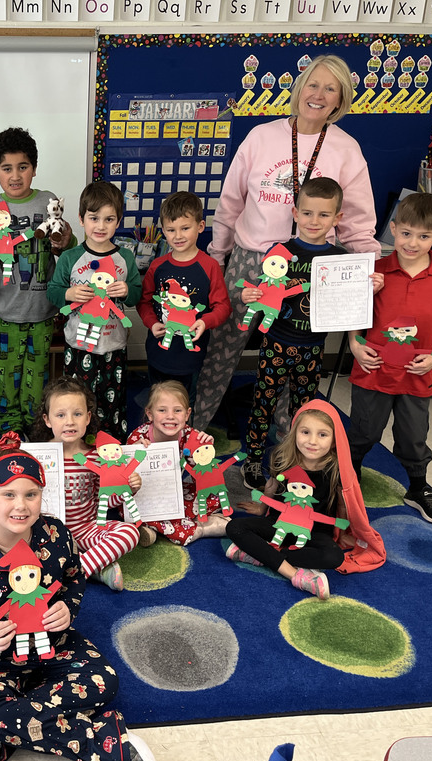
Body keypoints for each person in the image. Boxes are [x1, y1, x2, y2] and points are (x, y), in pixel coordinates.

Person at [0, 433, 157, 761]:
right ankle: (102, 742)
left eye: (30, 494)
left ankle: (0, 735)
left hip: (54, 641)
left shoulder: (58, 535)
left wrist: (68, 607)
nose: (20, 505)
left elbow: (74, 578)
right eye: (8, 494)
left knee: (105, 682)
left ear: (40, 496)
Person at [197, 54, 381, 430]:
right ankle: (195, 426)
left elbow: (358, 223)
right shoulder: (262, 136)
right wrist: (217, 256)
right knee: (222, 349)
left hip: (310, 266)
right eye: (313, 84)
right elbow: (231, 203)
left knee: (293, 356)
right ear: (299, 89)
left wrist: (368, 270)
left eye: (331, 88)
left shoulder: (347, 150)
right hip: (251, 259)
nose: (319, 95)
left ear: (341, 98)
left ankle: (286, 437)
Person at [239, 177, 384, 490]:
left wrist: (368, 288)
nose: (314, 221)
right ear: (294, 213)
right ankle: (252, 458)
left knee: (305, 409)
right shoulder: (279, 253)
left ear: (337, 218)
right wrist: (250, 296)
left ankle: (298, 461)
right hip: (276, 343)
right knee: (263, 402)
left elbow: (353, 305)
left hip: (313, 348)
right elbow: (263, 292)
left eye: (323, 214)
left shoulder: (342, 260)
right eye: (307, 213)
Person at [347, 192, 432, 525]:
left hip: (417, 372)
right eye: (406, 233)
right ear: (393, 229)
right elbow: (353, 311)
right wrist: (355, 343)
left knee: (413, 435)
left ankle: (418, 487)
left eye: (424, 236)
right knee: (364, 431)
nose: (413, 243)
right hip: (373, 368)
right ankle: (348, 478)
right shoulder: (375, 270)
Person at [226, 400, 385, 599]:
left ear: (335, 440)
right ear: (294, 433)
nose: (312, 441)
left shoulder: (336, 469)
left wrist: (344, 532)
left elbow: (345, 501)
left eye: (322, 434)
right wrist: (260, 507)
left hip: (313, 532)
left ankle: (260, 555)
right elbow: (272, 485)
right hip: (277, 523)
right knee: (234, 527)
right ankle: (294, 574)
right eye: (305, 432)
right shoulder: (283, 458)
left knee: (333, 557)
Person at [0, 126, 74, 435]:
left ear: (34, 168)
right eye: (6, 168)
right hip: (4, 310)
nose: (15, 175)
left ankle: (35, 426)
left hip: (42, 310)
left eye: (23, 167)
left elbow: (67, 246)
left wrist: (66, 239)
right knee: (5, 375)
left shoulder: (48, 200)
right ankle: (9, 428)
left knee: (37, 374)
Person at [47, 181, 141, 435]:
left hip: (114, 345)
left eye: (109, 219)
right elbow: (53, 291)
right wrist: (69, 293)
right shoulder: (70, 257)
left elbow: (136, 295)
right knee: (78, 400)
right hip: (78, 346)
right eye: (94, 218)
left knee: (113, 400)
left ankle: (111, 444)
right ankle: (79, 442)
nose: (101, 226)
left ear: (118, 221)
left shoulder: (126, 258)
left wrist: (127, 291)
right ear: (81, 219)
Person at [30, 377, 140, 591]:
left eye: (77, 414)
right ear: (47, 420)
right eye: (60, 415)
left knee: (130, 532)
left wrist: (128, 488)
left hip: (86, 530)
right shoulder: (37, 455)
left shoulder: (98, 456)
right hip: (46, 532)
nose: (69, 421)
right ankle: (99, 568)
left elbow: (105, 502)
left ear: (88, 418)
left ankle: (78, 569)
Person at [137, 191, 230, 422]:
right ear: (163, 231)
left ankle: (182, 446)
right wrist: (152, 322)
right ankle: (156, 443)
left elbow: (223, 307)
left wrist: (205, 321)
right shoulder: (157, 266)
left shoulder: (209, 266)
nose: (178, 236)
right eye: (171, 230)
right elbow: (145, 302)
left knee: (185, 405)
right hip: (159, 352)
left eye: (185, 228)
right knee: (157, 403)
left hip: (190, 357)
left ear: (200, 226)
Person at [126, 380, 227, 546]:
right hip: (145, 495)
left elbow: (206, 478)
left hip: (174, 493)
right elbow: (123, 479)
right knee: (130, 509)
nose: (170, 416)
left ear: (187, 415)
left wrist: (206, 453)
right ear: (150, 414)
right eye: (162, 410)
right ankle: (201, 528)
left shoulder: (191, 436)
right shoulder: (138, 438)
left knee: (213, 496)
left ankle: (154, 529)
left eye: (177, 410)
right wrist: (132, 457)